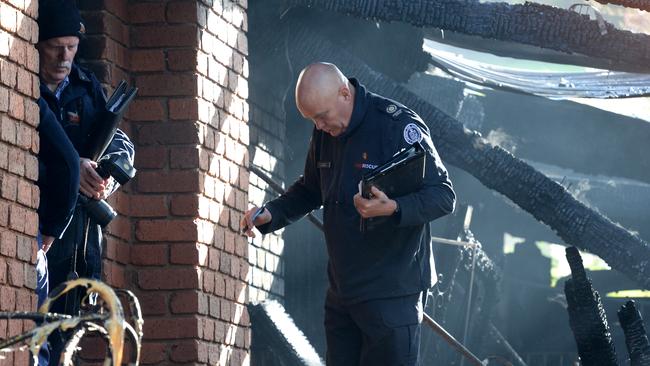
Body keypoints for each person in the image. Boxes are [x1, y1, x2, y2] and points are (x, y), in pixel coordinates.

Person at [241, 62, 456, 365]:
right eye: (312, 120)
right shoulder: (326, 132)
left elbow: (443, 196)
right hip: (342, 292)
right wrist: (272, 214)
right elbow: (311, 189)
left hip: (391, 292)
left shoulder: (397, 126)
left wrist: (393, 208)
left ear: (345, 93)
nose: (318, 126)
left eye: (322, 116)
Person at [36, 0, 134, 362]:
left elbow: (119, 141)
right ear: (37, 45)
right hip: (42, 232)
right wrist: (70, 169)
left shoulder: (85, 85)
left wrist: (105, 174)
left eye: (72, 48)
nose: (65, 57)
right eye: (54, 47)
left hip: (80, 242)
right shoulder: (23, 86)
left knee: (66, 345)